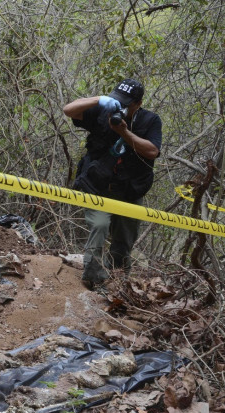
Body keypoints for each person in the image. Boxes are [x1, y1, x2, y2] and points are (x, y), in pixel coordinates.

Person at [63, 78, 162, 290]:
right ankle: (92, 277)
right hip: (98, 186)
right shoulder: (103, 111)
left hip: (130, 190)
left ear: (138, 103)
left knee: (124, 240)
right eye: (119, 100)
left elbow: (152, 151)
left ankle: (116, 281)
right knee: (99, 226)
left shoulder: (150, 120)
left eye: (127, 103)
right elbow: (68, 110)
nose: (122, 106)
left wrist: (124, 133)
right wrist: (100, 100)